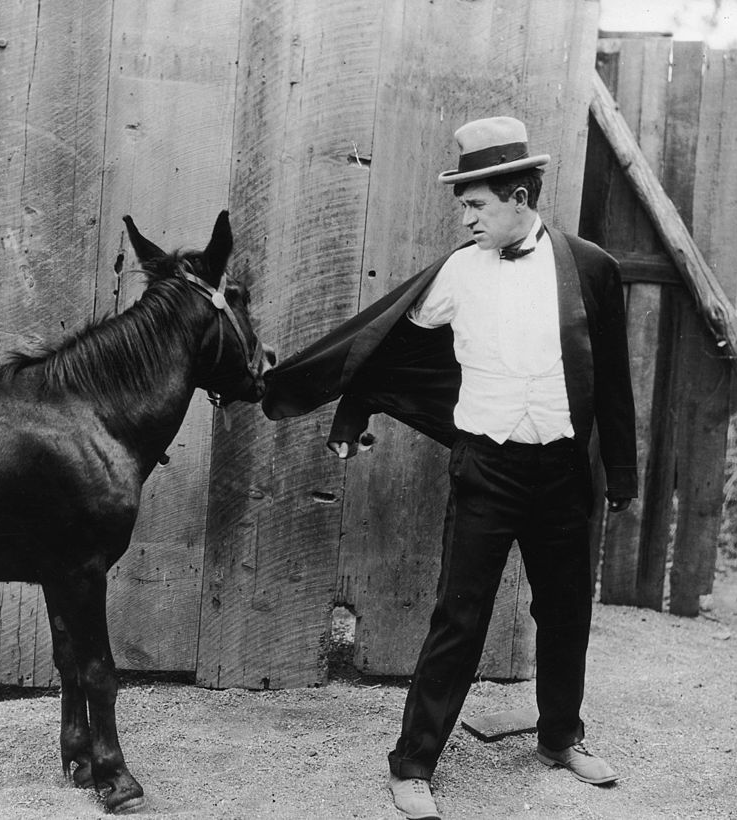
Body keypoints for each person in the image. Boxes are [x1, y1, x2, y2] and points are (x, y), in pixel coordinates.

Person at [261, 116, 637, 820]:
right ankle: (412, 766)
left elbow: (614, 378)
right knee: (458, 618)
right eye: (463, 205)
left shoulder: (590, 267)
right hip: (487, 472)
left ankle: (560, 737)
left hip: (564, 475)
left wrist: (621, 472)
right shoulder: (457, 274)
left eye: (478, 205)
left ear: (521, 197)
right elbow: (384, 348)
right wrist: (351, 412)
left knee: (565, 614)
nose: (465, 219)